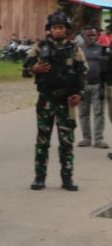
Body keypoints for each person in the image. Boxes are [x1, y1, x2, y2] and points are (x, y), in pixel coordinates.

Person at [22, 12, 86, 191]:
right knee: (43, 141)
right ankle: (39, 177)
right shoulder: (39, 47)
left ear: (66, 30)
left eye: (61, 28)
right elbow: (25, 69)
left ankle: (67, 178)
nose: (58, 31)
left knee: (66, 142)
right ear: (49, 30)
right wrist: (34, 68)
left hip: (66, 102)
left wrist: (80, 94)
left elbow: (83, 73)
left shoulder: (74, 49)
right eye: (55, 28)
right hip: (46, 101)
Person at [77, 26, 106, 148]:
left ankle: (98, 140)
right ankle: (86, 138)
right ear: (83, 36)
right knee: (83, 113)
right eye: (89, 35)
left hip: (98, 85)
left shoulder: (102, 49)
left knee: (99, 112)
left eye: (94, 35)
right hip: (83, 85)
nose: (92, 37)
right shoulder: (78, 49)